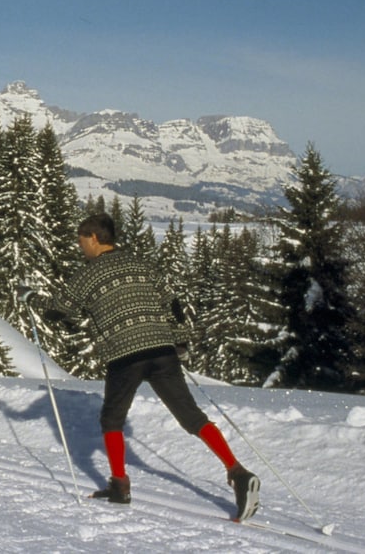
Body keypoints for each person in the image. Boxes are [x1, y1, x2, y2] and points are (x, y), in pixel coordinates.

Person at [43, 213, 260, 522]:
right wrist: (180, 341)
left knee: (112, 419)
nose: (81, 248)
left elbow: (59, 310)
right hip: (162, 351)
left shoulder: (87, 274)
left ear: (93, 238)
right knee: (192, 417)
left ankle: (120, 486)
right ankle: (237, 472)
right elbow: (173, 304)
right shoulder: (141, 264)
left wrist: (32, 298)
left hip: (125, 355)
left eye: (81, 242)